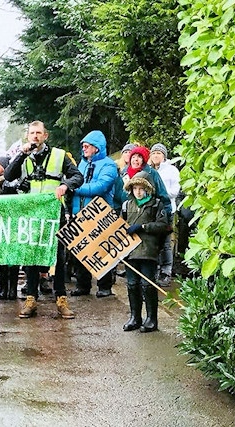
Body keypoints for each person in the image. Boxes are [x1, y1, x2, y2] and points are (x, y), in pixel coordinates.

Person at [4, 121, 83, 319]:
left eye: (39, 133)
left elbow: (77, 177)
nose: (35, 137)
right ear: (28, 136)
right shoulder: (23, 156)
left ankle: (61, 299)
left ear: (45, 135)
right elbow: (8, 175)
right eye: (32, 133)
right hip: (31, 215)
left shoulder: (59, 155)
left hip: (53, 215)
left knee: (58, 257)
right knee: (31, 257)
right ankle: (31, 299)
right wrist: (22, 154)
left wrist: (65, 185)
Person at [70, 130, 119, 298]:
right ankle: (82, 285)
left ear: (96, 148)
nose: (83, 148)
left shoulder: (109, 165)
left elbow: (100, 187)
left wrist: (75, 188)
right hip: (80, 213)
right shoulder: (81, 164)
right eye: (83, 146)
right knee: (80, 250)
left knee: (102, 251)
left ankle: (104, 286)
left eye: (87, 146)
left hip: (101, 214)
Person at [121, 171, 169, 333]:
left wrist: (143, 227)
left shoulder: (156, 205)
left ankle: (151, 319)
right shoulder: (127, 205)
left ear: (148, 189)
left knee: (148, 285)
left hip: (148, 251)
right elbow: (119, 227)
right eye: (135, 188)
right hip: (130, 251)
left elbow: (163, 226)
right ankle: (135, 317)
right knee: (132, 284)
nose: (138, 191)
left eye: (142, 188)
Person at [150, 143, 180, 286]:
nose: (156, 156)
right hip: (152, 211)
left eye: (159, 153)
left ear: (164, 156)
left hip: (168, 211)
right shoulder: (149, 170)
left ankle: (166, 271)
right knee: (155, 242)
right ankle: (155, 270)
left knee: (166, 243)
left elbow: (175, 190)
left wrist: (161, 193)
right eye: (154, 153)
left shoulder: (172, 170)